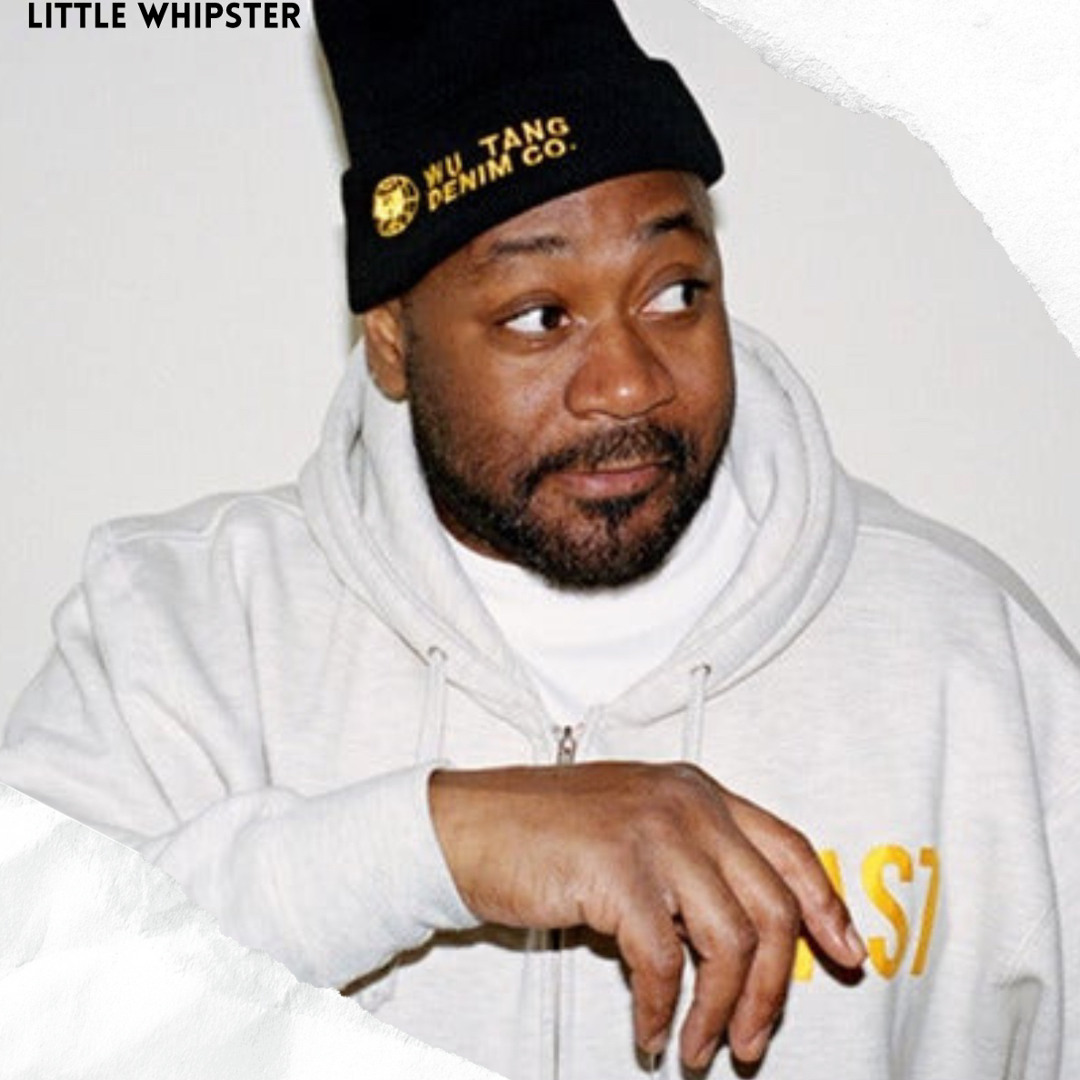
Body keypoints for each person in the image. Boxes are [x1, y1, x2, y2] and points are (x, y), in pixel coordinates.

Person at [2, 0, 1078, 1077]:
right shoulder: (185, 638)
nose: (629, 383)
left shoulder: (967, 661)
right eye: (538, 316)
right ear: (391, 339)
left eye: (674, 292)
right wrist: (439, 845)